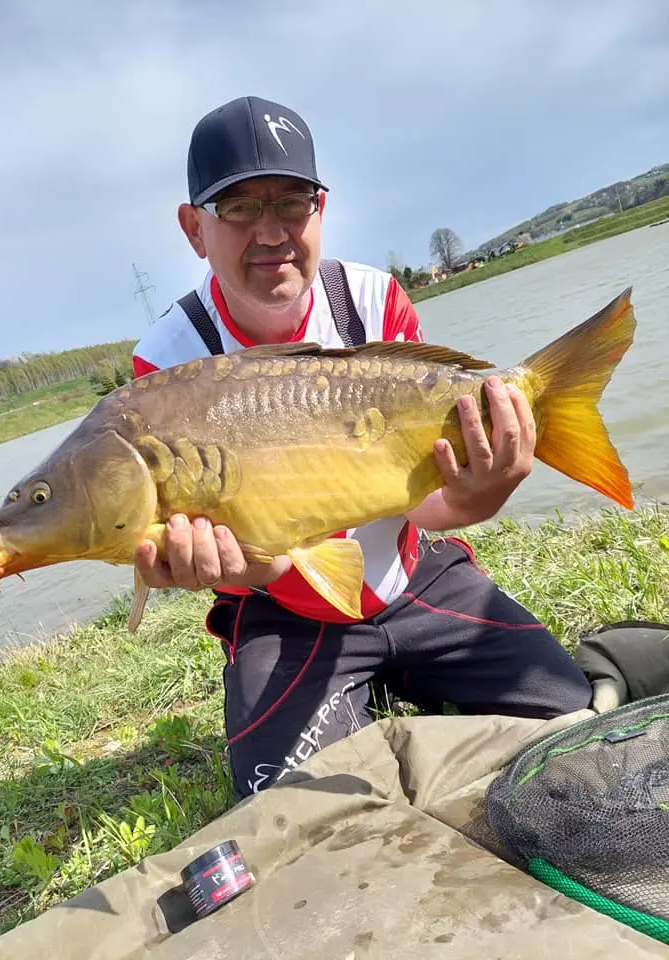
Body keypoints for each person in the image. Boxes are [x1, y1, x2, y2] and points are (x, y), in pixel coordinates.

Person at [132, 96, 593, 800]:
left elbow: (425, 505)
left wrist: (479, 495)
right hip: (284, 611)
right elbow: (246, 560)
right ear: (195, 228)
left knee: (568, 710)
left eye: (293, 203)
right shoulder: (168, 363)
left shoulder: (372, 300)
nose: (271, 233)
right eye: (240, 208)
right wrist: (237, 563)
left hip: (410, 574)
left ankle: (402, 668)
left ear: (321, 208)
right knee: (287, 803)